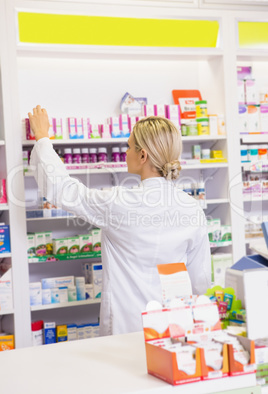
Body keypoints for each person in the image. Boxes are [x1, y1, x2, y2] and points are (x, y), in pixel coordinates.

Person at [28, 105, 211, 336]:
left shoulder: (119, 202)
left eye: (128, 146)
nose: (125, 152)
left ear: (142, 155)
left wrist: (43, 138)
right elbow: (200, 280)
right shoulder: (192, 208)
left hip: (127, 325)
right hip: (174, 325)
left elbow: (63, 190)